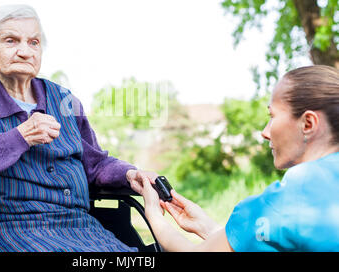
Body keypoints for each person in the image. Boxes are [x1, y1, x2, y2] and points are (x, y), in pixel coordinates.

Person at [0, 4, 157, 252]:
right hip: (11, 230)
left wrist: (129, 175)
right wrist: (19, 137)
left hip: (82, 228)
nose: (25, 51)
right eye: (11, 41)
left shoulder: (64, 100)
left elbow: (95, 164)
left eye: (34, 42)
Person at [139, 65, 339, 251]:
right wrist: (207, 227)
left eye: (272, 116)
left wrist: (154, 216)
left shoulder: (288, 199)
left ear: (308, 124)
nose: (265, 132)